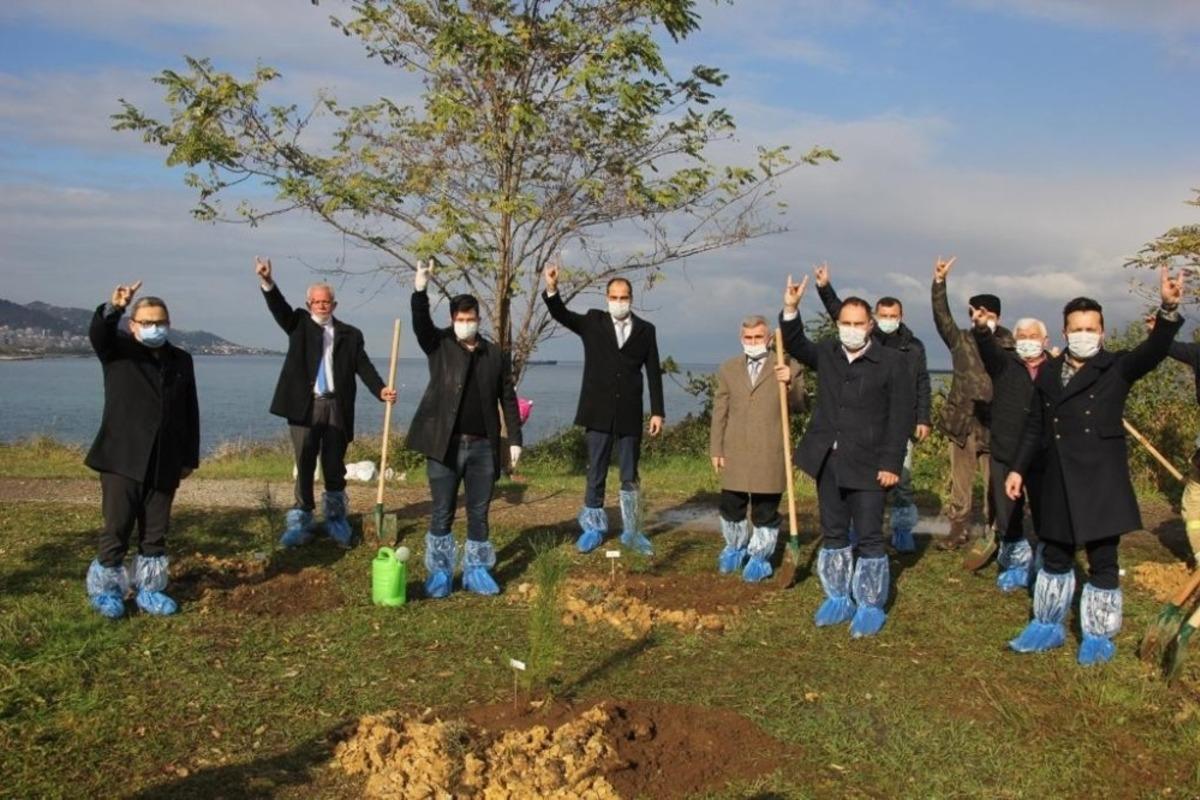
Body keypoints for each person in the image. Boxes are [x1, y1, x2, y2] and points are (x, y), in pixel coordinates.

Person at [1005, 267, 1185, 665]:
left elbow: (1153, 350)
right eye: (1076, 328)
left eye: (1092, 328)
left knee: (1103, 559)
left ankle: (1098, 636)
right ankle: (1047, 625)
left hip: (1101, 479)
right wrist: (1017, 468)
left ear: (1101, 332)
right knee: (1054, 553)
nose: (1084, 334)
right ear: (1065, 332)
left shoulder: (1117, 367)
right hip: (1056, 478)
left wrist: (1169, 309)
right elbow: (1034, 424)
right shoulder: (1049, 372)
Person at [778, 274, 915, 637]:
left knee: (869, 535)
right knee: (834, 531)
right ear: (837, 324)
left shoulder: (890, 362)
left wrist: (891, 463)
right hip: (829, 460)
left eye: (858, 323)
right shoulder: (827, 353)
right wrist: (790, 308)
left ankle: (870, 604)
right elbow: (795, 343)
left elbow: (900, 418)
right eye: (845, 323)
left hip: (871, 464)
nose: (852, 329)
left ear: (870, 325)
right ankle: (838, 596)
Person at [255, 257, 396, 548]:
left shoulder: (350, 335)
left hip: (336, 406)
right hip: (304, 406)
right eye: (316, 302)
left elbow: (364, 366)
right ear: (308, 305)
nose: (321, 305)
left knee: (334, 464)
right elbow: (279, 308)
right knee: (304, 463)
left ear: (334, 304)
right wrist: (268, 283)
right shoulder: (298, 324)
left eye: (326, 301)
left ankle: (335, 520)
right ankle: (301, 522)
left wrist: (381, 389)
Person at [406, 260, 523, 597]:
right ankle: (440, 573)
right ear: (452, 321)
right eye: (460, 320)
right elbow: (420, 325)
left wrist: (514, 439)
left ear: (479, 321)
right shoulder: (439, 345)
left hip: (484, 446)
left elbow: (508, 397)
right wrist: (420, 290)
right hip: (444, 444)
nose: (466, 324)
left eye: (471, 320)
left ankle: (477, 570)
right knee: (442, 510)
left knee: (479, 511)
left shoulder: (495, 354)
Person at [84, 281, 199, 619]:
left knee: (155, 531)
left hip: (165, 459)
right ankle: (107, 591)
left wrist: (188, 458)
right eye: (146, 322)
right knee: (116, 528)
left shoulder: (181, 359)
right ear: (133, 325)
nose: (154, 328)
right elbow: (99, 334)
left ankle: (150, 589)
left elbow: (189, 411)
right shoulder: (118, 351)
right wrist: (114, 307)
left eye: (160, 322)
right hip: (122, 458)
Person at [542, 263, 665, 555]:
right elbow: (561, 314)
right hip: (597, 412)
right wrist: (551, 289)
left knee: (629, 474)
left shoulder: (646, 330)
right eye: (614, 297)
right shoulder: (593, 322)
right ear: (607, 298)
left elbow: (653, 372)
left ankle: (632, 531)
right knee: (595, 471)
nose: (619, 302)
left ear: (631, 299)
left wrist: (657, 411)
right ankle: (593, 528)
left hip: (629, 414)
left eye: (624, 297)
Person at [814, 263, 931, 552]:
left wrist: (923, 417)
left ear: (900, 317)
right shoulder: (869, 339)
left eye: (894, 316)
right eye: (884, 315)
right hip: (867, 429)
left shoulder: (913, 346)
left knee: (900, 477)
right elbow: (843, 314)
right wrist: (824, 288)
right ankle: (859, 528)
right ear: (874, 319)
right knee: (861, 486)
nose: (888, 320)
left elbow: (922, 382)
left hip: (899, 423)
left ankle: (902, 528)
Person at [709, 315, 805, 581]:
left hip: (770, 450)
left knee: (765, 509)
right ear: (742, 339)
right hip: (735, 449)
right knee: (731, 506)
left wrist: (790, 383)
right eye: (748, 338)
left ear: (769, 339)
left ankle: (760, 556)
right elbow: (720, 412)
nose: (753, 342)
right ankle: (735, 548)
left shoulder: (786, 365)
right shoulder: (729, 368)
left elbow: (799, 406)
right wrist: (716, 448)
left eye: (758, 338)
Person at [931, 257, 1005, 551]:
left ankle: (995, 531)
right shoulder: (960, 339)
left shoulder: (1010, 342)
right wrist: (939, 282)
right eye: (974, 312)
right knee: (960, 483)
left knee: (993, 483)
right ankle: (957, 530)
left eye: (985, 313)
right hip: (963, 421)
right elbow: (941, 316)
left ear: (996, 315)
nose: (978, 317)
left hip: (995, 423)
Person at [972, 316, 1051, 590]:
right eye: (1022, 336)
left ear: (1045, 341)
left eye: (1033, 336)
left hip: (1043, 454)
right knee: (1008, 514)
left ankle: (1045, 564)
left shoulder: (1055, 370)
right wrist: (982, 330)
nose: (1028, 341)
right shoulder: (1005, 364)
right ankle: (1015, 564)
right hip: (1006, 450)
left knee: (1046, 510)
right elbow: (987, 348)